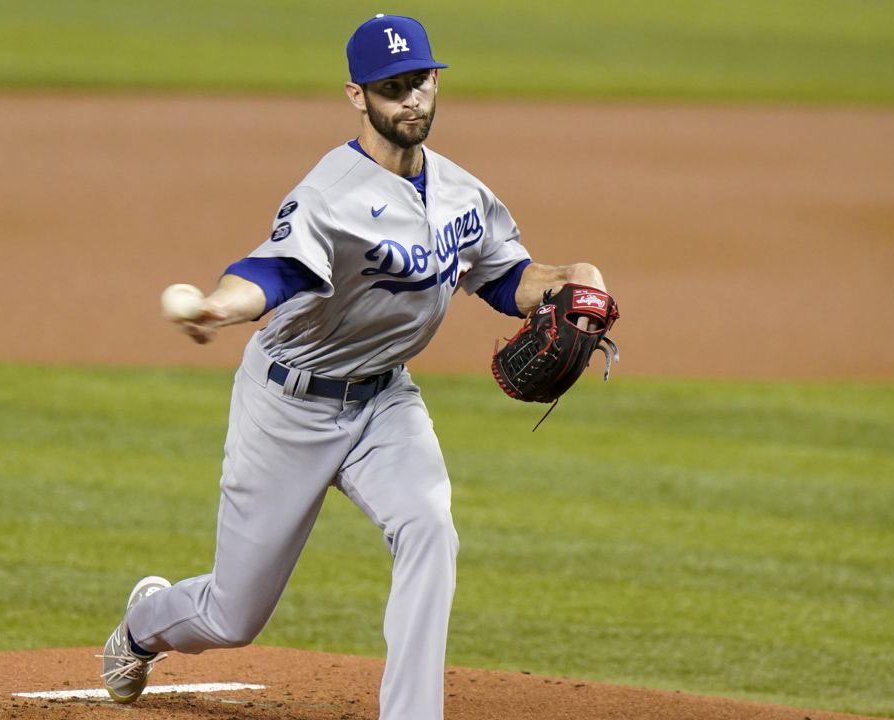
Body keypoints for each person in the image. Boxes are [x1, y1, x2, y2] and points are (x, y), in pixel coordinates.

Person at [98, 14, 607, 720]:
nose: (412, 102)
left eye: (421, 83)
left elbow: (504, 276)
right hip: (287, 407)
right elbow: (272, 271)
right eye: (392, 88)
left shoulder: (461, 191)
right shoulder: (329, 195)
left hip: (385, 403)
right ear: (356, 96)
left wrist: (574, 278)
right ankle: (145, 624)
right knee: (232, 617)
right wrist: (218, 307)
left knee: (430, 526)